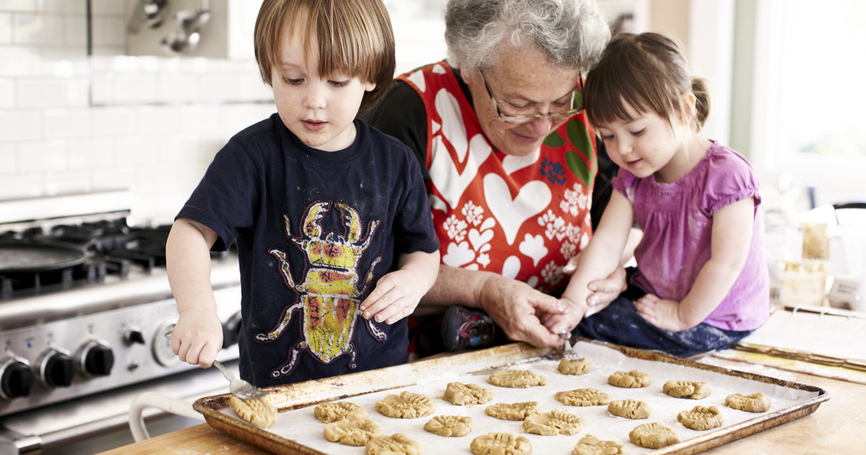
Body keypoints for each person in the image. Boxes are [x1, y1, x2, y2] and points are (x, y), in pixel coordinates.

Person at [165, 0, 440, 387]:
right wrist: (195, 307)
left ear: (371, 75)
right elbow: (190, 232)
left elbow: (423, 250)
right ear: (269, 71)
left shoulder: (397, 163)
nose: (314, 99)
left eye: (337, 81)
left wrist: (413, 281)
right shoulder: (251, 157)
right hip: (276, 393)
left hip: (379, 387)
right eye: (294, 80)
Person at [364, 0, 632, 353]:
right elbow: (371, 268)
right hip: (431, 359)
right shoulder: (409, 113)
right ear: (469, 65)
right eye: (519, 104)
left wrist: (614, 273)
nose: (542, 125)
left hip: (561, 348)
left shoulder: (591, 110)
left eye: (561, 101)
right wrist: (483, 290)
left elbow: (624, 219)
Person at [547, 32, 769, 357]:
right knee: (574, 305)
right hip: (659, 295)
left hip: (714, 315)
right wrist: (573, 303)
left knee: (592, 330)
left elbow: (727, 264)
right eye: (607, 136)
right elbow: (608, 242)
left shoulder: (727, 175)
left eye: (637, 130)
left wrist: (681, 315)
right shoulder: (634, 176)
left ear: (682, 110)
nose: (621, 149)